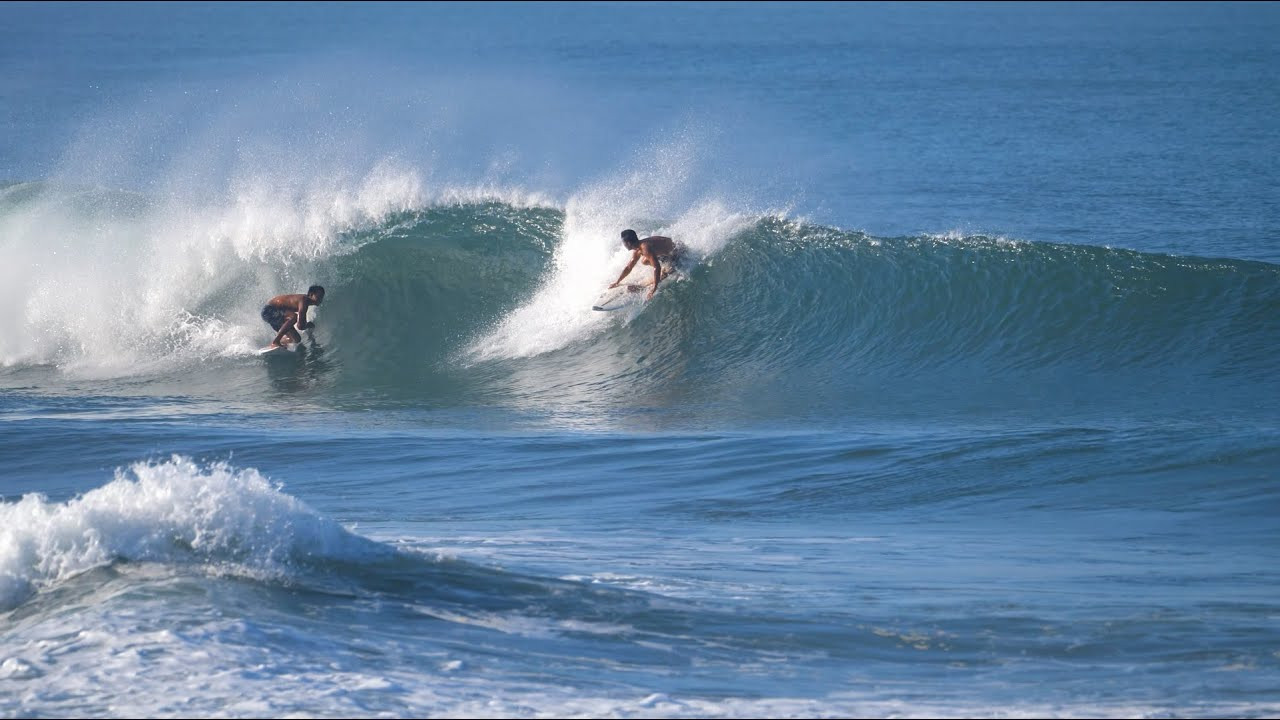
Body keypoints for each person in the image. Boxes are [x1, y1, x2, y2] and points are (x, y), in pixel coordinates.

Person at [608, 229, 681, 301]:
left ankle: (662, 274)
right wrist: (617, 282)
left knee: (664, 273)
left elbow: (657, 267)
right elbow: (629, 267)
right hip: (667, 253)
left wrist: (654, 288)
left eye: (623, 243)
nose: (623, 245)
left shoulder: (645, 248)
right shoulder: (638, 249)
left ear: (628, 243)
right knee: (644, 261)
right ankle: (664, 266)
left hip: (677, 253)